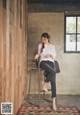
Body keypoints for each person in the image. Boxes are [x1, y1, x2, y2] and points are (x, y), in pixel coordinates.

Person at [34, 32, 57, 110]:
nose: (43, 40)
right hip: (43, 62)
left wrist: (50, 55)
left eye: (45, 38)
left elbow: (54, 55)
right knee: (53, 72)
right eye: (42, 38)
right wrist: (37, 56)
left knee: (53, 80)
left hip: (51, 62)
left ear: (48, 38)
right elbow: (39, 54)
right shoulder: (40, 45)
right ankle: (46, 83)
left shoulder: (52, 46)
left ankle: (53, 102)